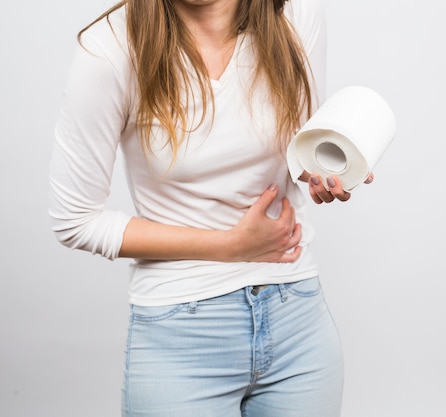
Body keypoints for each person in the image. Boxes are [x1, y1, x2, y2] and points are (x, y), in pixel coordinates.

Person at [49, 0, 374, 416]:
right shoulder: (110, 49)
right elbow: (74, 220)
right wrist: (230, 246)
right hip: (182, 332)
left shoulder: (296, 15)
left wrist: (327, 171)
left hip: (297, 319)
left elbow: (300, 151)